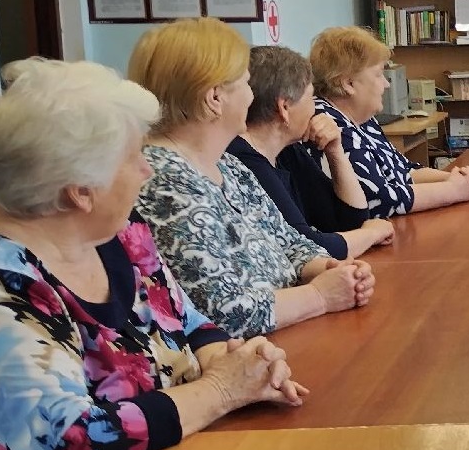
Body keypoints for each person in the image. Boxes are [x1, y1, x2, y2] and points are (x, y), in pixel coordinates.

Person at [0, 59, 305, 450]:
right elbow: (67, 442)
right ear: (80, 191)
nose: (148, 171)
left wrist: (229, 359)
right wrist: (222, 390)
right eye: (134, 157)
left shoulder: (117, 229)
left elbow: (187, 319)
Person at [129, 18, 376, 338]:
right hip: (258, 348)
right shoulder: (165, 182)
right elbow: (223, 311)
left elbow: (290, 242)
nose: (253, 97)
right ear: (214, 98)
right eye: (246, 84)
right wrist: (320, 295)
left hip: (289, 332)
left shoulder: (228, 164)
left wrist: (332, 270)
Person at [229, 45, 394, 260]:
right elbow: (307, 247)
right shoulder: (244, 162)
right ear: (284, 108)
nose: (315, 108)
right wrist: (372, 234)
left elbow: (350, 220)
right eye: (311, 98)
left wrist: (335, 151)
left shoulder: (287, 150)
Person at [309, 26, 469, 217]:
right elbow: (379, 200)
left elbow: (404, 171)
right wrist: (453, 191)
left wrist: (459, 178)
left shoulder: (362, 119)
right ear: (348, 83)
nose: (386, 84)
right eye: (378, 74)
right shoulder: (330, 122)